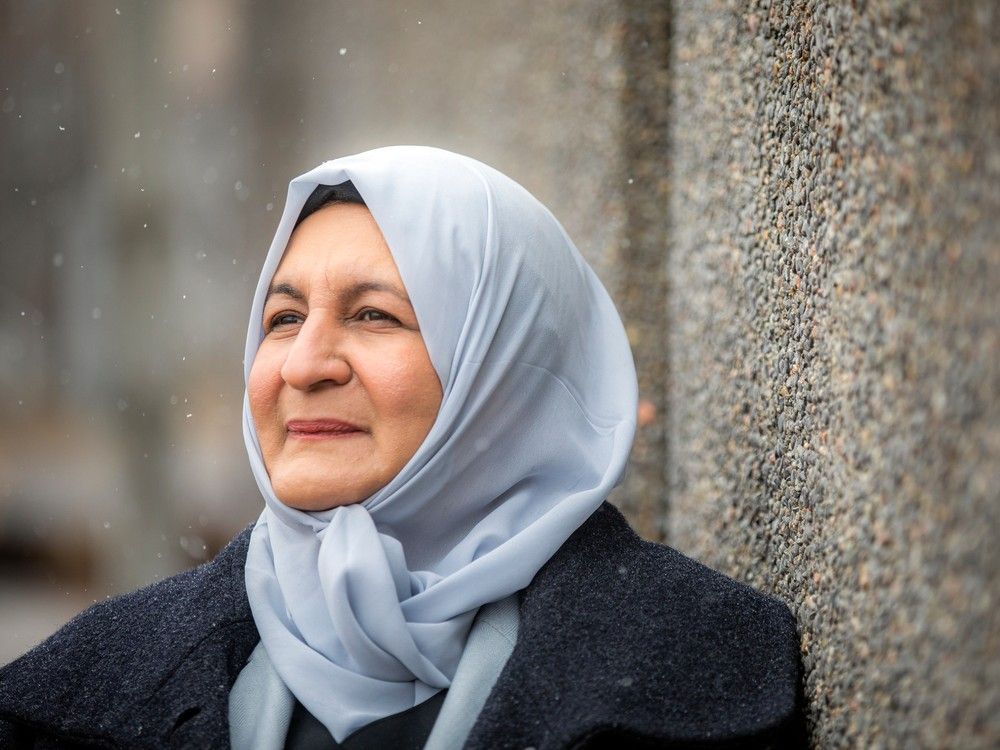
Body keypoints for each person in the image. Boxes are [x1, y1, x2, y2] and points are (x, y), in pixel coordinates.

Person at [0, 146, 805, 749]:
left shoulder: (703, 667)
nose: (306, 364)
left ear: (504, 371)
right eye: (282, 318)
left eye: (374, 315)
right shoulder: (79, 689)